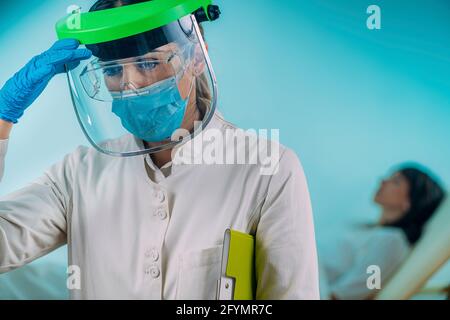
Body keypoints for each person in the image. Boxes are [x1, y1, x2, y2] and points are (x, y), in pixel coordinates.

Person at [0, 0, 319, 299]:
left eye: (148, 63)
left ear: (196, 57)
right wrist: (3, 118)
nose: (131, 84)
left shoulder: (269, 170)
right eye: (112, 71)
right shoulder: (79, 174)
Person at [319, 165, 445, 300]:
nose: (383, 181)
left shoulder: (392, 241)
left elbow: (351, 293)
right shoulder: (361, 226)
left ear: (409, 201)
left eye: (396, 181)